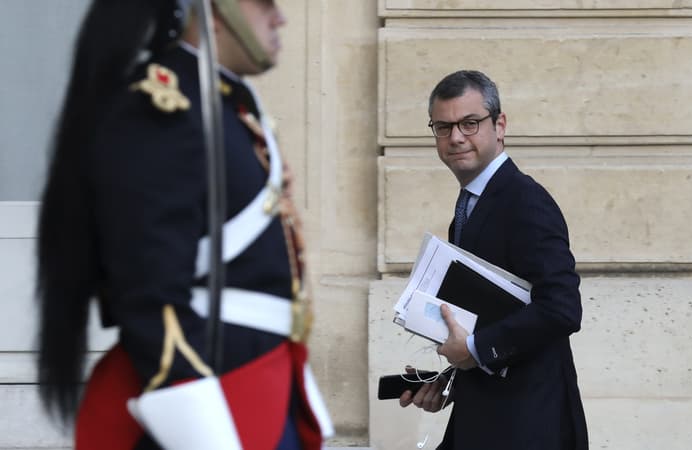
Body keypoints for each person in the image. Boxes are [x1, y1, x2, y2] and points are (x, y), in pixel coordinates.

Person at [35, 0, 332, 448]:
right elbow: (149, 291)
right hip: (210, 394)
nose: (280, 17)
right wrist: (199, 421)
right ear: (216, 11)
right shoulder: (163, 106)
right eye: (265, 4)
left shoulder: (226, 104)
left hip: (261, 379)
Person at [399, 70, 588, 449]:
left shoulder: (525, 200)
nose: (456, 137)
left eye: (470, 123)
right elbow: (493, 318)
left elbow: (563, 308)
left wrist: (474, 350)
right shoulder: (470, 208)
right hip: (488, 418)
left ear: (499, 125)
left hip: (530, 425)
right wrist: (452, 375)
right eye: (443, 126)